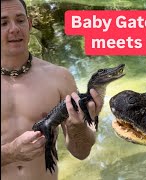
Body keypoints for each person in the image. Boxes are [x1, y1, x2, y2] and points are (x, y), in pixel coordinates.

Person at [1, 0, 103, 179]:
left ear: (30, 24)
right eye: (3, 23)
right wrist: (10, 153)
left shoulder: (59, 77)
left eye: (20, 20)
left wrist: (78, 128)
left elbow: (81, 153)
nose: (14, 29)